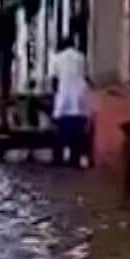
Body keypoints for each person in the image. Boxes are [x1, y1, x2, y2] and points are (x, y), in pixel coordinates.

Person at [49, 34, 94, 168]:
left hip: (64, 94)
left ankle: (59, 158)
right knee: (78, 127)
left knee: (61, 129)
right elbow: (86, 75)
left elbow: (54, 79)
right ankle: (75, 158)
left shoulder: (57, 58)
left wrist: (55, 93)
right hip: (80, 94)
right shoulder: (81, 57)